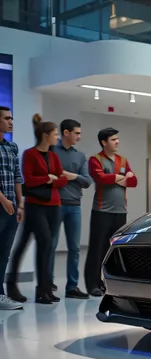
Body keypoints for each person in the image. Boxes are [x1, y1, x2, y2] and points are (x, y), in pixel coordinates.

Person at [6, 114, 68, 304]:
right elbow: (29, 180)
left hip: (53, 206)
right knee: (43, 243)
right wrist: (49, 179)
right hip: (36, 206)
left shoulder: (54, 156)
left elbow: (63, 179)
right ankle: (16, 286)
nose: (57, 137)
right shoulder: (30, 154)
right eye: (55, 134)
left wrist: (52, 179)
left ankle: (44, 289)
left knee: (43, 246)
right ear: (45, 135)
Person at [84, 127, 137, 296]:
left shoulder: (123, 160)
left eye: (117, 139)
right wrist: (119, 177)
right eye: (113, 139)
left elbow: (133, 181)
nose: (117, 142)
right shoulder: (95, 159)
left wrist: (113, 177)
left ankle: (110, 284)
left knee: (114, 250)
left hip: (120, 211)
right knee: (97, 249)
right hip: (101, 211)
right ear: (104, 142)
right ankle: (93, 284)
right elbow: (100, 178)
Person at [50, 119, 91, 299]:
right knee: (49, 246)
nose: (79, 137)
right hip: (54, 205)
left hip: (74, 206)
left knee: (74, 248)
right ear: (66, 133)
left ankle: (72, 287)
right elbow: (48, 175)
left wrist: (66, 174)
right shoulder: (51, 151)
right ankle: (47, 284)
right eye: (77, 133)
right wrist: (76, 177)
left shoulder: (80, 156)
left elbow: (87, 181)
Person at [0, 106, 23, 310]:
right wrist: (3, 200)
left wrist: (19, 202)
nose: (11, 122)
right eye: (7, 118)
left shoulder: (11, 147)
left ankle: (0, 294)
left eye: (11, 118)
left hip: (11, 207)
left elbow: (17, 175)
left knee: (4, 252)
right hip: (2, 205)